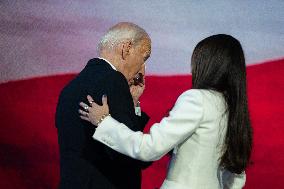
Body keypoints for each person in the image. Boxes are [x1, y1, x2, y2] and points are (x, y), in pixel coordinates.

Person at [79, 34, 253, 189]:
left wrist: (104, 122)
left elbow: (149, 148)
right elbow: (236, 176)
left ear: (207, 64)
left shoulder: (198, 99)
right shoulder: (231, 108)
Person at [55, 22, 152, 189]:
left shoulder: (70, 88)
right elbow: (132, 153)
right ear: (126, 48)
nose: (142, 68)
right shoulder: (114, 80)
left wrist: (133, 101)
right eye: (144, 57)